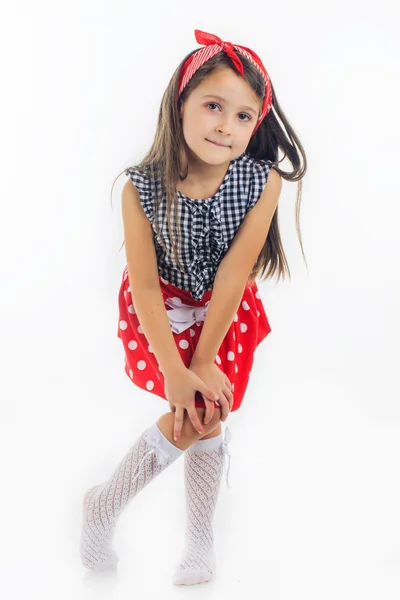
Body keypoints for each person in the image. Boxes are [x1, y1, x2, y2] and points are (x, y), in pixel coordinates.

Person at [80, 29, 307, 585]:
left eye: (244, 116)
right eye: (213, 106)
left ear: (257, 125)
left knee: (209, 412)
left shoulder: (262, 183)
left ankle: (130, 514)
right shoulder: (141, 188)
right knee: (200, 412)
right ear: (180, 103)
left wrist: (204, 361)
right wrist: (177, 370)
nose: (226, 126)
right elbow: (146, 288)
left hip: (224, 313)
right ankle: (172, 531)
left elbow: (235, 272)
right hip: (164, 314)